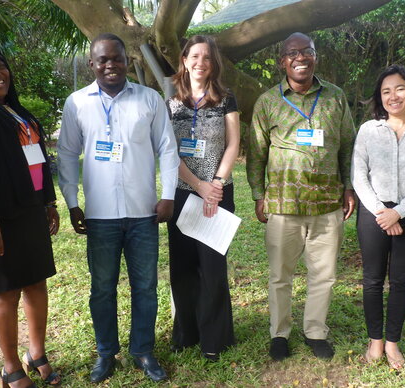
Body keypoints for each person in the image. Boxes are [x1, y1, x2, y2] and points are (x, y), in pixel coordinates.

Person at [57, 33, 179, 383]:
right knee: (102, 287)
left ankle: (143, 350)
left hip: (144, 212)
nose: (110, 64)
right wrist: (72, 202)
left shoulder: (150, 99)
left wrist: (168, 194)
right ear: (91, 64)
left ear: (128, 61)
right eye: (103, 59)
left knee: (145, 286)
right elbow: (67, 153)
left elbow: (167, 149)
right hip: (99, 215)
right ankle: (106, 353)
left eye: (117, 58)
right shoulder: (77, 103)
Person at [246, 32, 356, 361]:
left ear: (315, 57)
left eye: (307, 51)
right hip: (283, 203)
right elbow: (256, 154)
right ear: (282, 61)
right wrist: (257, 194)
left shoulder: (335, 97)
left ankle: (315, 331)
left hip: (327, 203)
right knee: (281, 274)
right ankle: (279, 333)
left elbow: (348, 145)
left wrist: (349, 186)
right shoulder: (267, 101)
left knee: (324, 273)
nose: (300, 57)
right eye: (292, 52)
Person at [0, 46, 60, 388]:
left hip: (30, 212)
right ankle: (11, 366)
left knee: (36, 283)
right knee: (6, 292)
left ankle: (36, 353)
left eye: (0, 66)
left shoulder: (19, 113)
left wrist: (49, 202)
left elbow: (40, 162)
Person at [351, 65, 405, 370]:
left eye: (399, 88)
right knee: (373, 280)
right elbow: (358, 176)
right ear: (380, 96)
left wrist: (398, 213)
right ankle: (375, 340)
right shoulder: (368, 130)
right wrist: (382, 213)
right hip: (373, 214)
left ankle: (392, 343)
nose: (393, 96)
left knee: (400, 282)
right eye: (386, 91)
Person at [166, 35, 240, 361]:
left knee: (212, 269)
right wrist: (198, 184)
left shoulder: (226, 99)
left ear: (214, 63)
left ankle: (215, 338)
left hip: (217, 194)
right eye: (194, 56)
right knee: (181, 269)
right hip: (182, 194)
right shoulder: (170, 104)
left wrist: (216, 184)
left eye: (207, 57)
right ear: (184, 60)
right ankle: (186, 333)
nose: (200, 62)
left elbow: (234, 144)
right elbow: (168, 152)